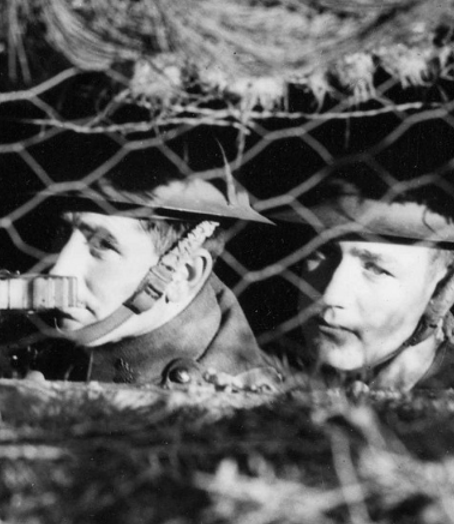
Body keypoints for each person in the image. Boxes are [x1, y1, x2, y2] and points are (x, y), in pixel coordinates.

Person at [16, 156, 282, 389]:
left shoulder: (235, 406)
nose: (58, 269)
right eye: (64, 232)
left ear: (183, 274)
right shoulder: (50, 334)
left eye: (103, 245)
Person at [275, 178, 454, 391]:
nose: (330, 296)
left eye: (376, 269)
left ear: (443, 285)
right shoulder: (271, 356)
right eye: (324, 253)